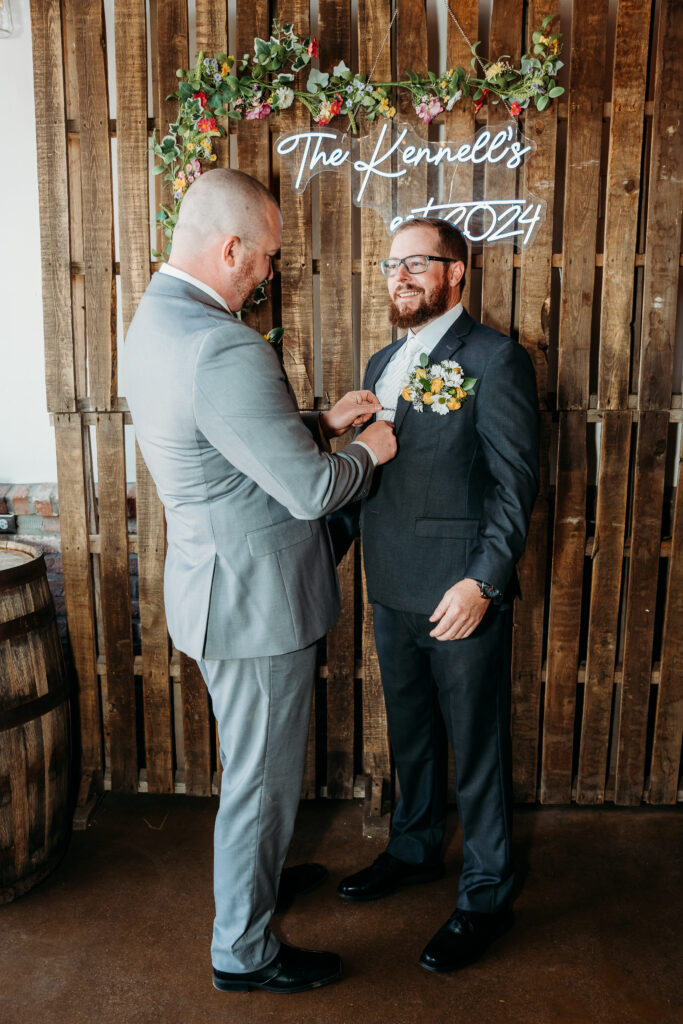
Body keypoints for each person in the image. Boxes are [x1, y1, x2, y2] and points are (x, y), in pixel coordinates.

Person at [121, 168, 396, 994]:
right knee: (260, 780)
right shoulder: (223, 343)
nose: (268, 273)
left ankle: (259, 884)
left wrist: (315, 423)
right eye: (266, 257)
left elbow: (220, 440)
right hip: (254, 603)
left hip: (214, 586)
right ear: (230, 246)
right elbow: (311, 491)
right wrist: (366, 453)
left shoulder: (155, 320)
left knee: (253, 768)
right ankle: (243, 952)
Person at [336, 217, 539, 973]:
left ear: (457, 272)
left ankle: (485, 894)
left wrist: (483, 582)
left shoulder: (493, 358)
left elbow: (515, 486)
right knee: (411, 735)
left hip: (459, 593)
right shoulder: (382, 359)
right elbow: (376, 472)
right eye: (392, 265)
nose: (400, 276)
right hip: (389, 586)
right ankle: (414, 849)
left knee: (477, 748)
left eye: (418, 263)